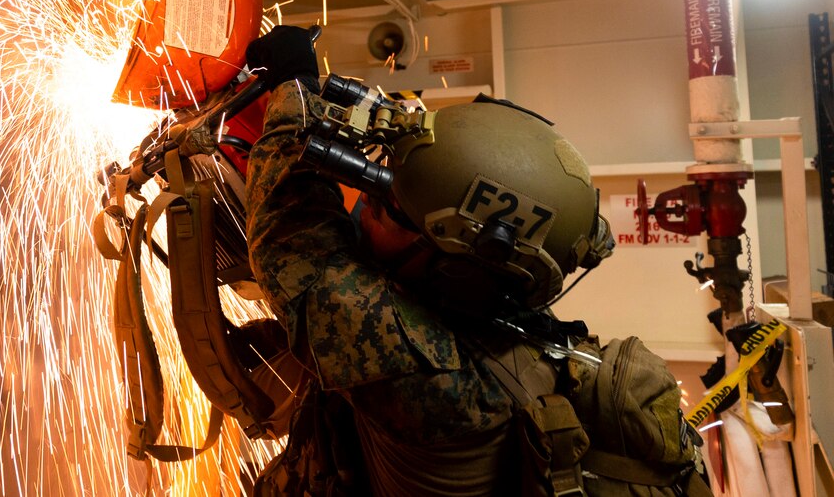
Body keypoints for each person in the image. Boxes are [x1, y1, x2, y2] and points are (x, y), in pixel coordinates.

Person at [242, 26, 707, 496]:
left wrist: (293, 91)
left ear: (456, 270)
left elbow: (295, 240)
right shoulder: (506, 316)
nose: (366, 205)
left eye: (388, 209)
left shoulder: (442, 385)